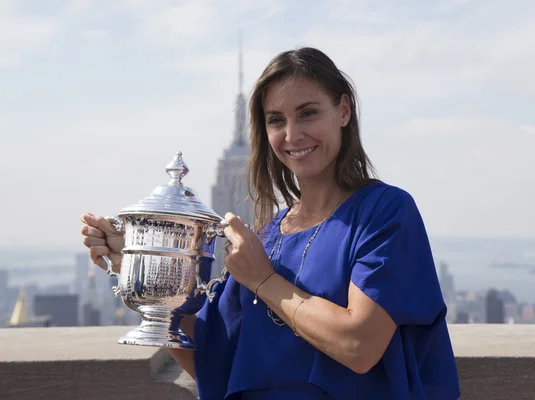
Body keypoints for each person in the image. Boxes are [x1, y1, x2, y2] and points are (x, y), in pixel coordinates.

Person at [81, 47, 461, 400]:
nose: (292, 135)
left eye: (308, 113)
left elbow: (359, 345)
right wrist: (137, 269)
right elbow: (213, 360)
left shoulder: (384, 212)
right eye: (276, 120)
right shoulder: (266, 235)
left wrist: (263, 280)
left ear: (343, 110)